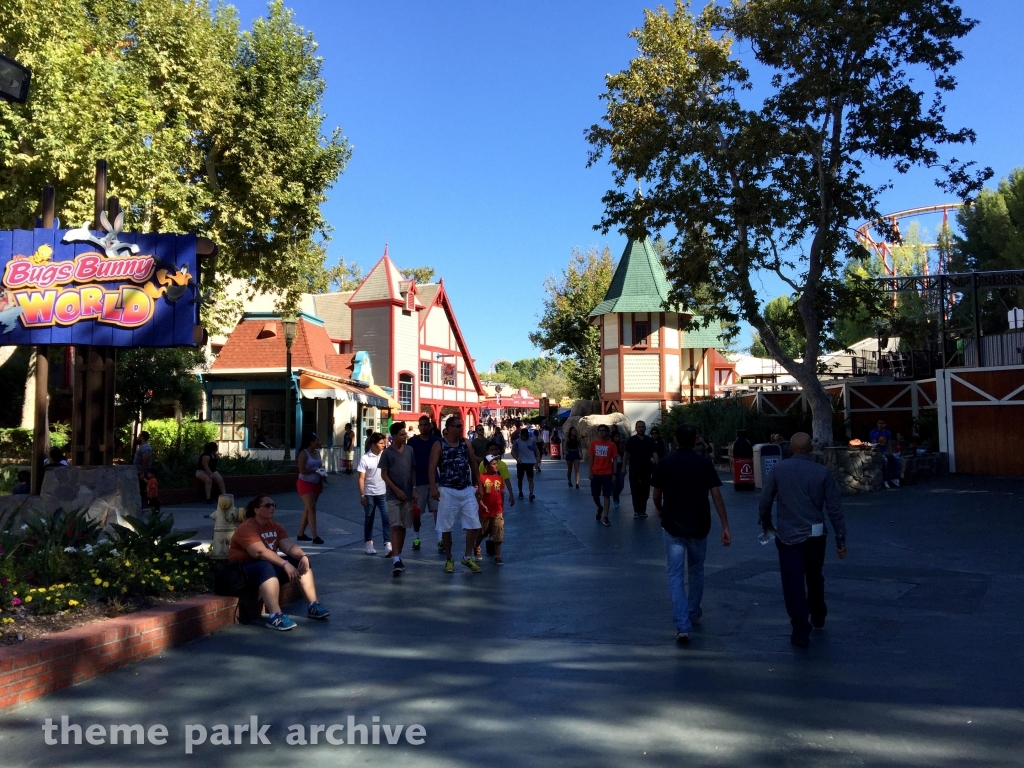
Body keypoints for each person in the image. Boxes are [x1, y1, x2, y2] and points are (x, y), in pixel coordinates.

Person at [758, 432, 847, 649]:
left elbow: (765, 500)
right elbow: (834, 509)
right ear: (810, 450)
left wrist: (767, 524)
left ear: (791, 449)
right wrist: (840, 537)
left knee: (793, 583)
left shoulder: (778, 470)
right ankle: (818, 613)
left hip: (788, 536)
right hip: (815, 535)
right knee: (815, 576)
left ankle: (800, 630)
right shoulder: (822, 472)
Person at [652, 423, 732, 645]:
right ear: (696, 439)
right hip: (699, 526)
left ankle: (682, 625)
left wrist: (660, 509)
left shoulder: (666, 464)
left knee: (675, 575)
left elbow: (656, 494)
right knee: (696, 571)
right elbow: (716, 495)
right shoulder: (704, 464)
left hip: (673, 526)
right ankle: (694, 611)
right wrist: (725, 525)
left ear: (675, 440)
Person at [227, 493, 330, 631]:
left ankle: (313, 605)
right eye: (268, 505)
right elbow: (259, 552)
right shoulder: (247, 527)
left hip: (264, 567)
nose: (272, 508)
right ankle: (275, 616)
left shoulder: (275, 526)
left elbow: (289, 546)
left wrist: (303, 556)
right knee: (265, 565)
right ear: (256, 510)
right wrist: (284, 564)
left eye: (274, 505)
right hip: (242, 571)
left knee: (299, 560)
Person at [428, 414, 484, 574]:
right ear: (449, 428)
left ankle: (467, 557)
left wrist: (478, 485)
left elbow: (473, 464)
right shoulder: (439, 445)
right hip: (447, 489)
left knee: (474, 524)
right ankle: (449, 558)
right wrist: (433, 487)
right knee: (446, 527)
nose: (461, 428)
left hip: (466, 488)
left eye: (461, 426)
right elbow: (432, 467)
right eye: (458, 426)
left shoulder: (466, 443)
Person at [380, 421, 416, 577]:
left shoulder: (409, 450)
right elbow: (384, 474)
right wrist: (395, 489)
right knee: (395, 525)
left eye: (405, 434)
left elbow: (413, 470)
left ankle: (398, 555)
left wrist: (414, 489)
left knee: (403, 526)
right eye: (401, 434)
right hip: (393, 496)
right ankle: (395, 559)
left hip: (408, 495)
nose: (405, 436)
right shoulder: (387, 453)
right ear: (393, 436)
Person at [409, 415, 441, 552]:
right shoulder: (412, 442)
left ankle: (440, 539)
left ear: (430, 426)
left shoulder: (436, 441)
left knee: (437, 511)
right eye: (420, 425)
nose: (423, 427)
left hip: (435, 481)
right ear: (418, 426)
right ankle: (416, 537)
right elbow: (410, 465)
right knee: (417, 512)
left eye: (425, 425)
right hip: (419, 482)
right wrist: (413, 486)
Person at [476, 455, 515, 565]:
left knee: (498, 531)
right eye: (493, 464)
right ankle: (476, 545)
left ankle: (497, 555)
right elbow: (477, 494)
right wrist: (481, 504)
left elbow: (501, 494)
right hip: (485, 511)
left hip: (497, 510)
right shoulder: (481, 478)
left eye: (496, 463)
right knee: (482, 532)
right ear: (487, 466)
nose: (496, 466)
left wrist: (502, 508)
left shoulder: (499, 478)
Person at [357, 432, 392, 556]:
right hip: (369, 494)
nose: (384, 445)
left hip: (383, 493)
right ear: (373, 444)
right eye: (381, 443)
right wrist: (362, 495)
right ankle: (368, 543)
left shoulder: (385, 455)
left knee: (386, 518)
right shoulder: (365, 458)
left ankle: (388, 543)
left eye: (384, 443)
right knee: (369, 518)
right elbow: (361, 478)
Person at [623, 420, 658, 518]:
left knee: (645, 491)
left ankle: (643, 510)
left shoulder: (649, 441)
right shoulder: (631, 440)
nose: (641, 428)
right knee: (635, 490)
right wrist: (623, 467)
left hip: (647, 470)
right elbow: (626, 453)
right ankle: (637, 510)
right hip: (634, 469)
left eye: (642, 427)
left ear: (645, 428)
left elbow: (655, 453)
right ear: (636, 428)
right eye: (639, 427)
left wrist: (658, 466)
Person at [295, 433, 325, 544]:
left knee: (308, 508)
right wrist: (315, 471)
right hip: (305, 483)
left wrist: (322, 473)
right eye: (317, 440)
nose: (319, 442)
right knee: (311, 508)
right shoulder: (304, 453)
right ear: (311, 442)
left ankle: (301, 534)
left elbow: (319, 466)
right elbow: (302, 470)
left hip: (316, 483)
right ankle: (315, 536)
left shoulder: (317, 452)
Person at [588, 424, 617, 526]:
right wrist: (590, 471)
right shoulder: (594, 444)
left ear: (607, 432)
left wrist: (614, 473)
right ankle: (599, 507)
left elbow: (614, 460)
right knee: (595, 495)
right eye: (600, 431)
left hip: (607, 473)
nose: (602, 432)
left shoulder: (611, 445)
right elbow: (591, 458)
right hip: (596, 472)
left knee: (606, 495)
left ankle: (606, 516)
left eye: (604, 430)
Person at [869, 418, 903, 489]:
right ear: (877, 424)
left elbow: (889, 443)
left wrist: (890, 453)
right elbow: (874, 443)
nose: (880, 425)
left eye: (882, 423)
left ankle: (895, 478)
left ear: (885, 424)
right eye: (879, 423)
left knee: (898, 460)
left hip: (885, 450)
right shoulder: (874, 432)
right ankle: (885, 480)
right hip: (877, 451)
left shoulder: (887, 433)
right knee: (885, 461)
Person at [511, 428, 540, 501]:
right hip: (521, 462)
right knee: (520, 478)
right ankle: (520, 491)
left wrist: (538, 458)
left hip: (529, 463)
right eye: (523, 436)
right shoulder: (517, 442)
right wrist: (517, 459)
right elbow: (512, 451)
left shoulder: (531, 441)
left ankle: (531, 493)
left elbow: (536, 450)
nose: (524, 437)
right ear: (520, 435)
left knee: (530, 479)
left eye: (525, 436)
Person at [610, 430, 626, 507]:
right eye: (616, 437)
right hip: (611, 465)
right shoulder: (610, 445)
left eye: (618, 436)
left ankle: (615, 495)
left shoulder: (621, 445)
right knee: (614, 483)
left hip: (620, 465)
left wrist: (624, 466)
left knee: (621, 484)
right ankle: (615, 499)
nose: (617, 438)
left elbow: (624, 456)